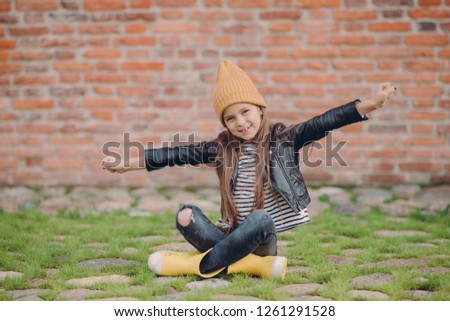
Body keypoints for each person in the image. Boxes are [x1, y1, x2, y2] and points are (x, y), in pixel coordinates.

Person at [101, 60, 396, 280]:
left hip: (262, 236)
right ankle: (251, 266)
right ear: (225, 124)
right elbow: (178, 154)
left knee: (260, 217)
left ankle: (195, 265)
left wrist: (370, 104)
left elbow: (324, 121)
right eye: (230, 118)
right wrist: (131, 163)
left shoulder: (285, 139)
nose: (241, 122)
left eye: (245, 112)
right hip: (231, 233)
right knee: (185, 215)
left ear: (260, 110)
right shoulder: (222, 149)